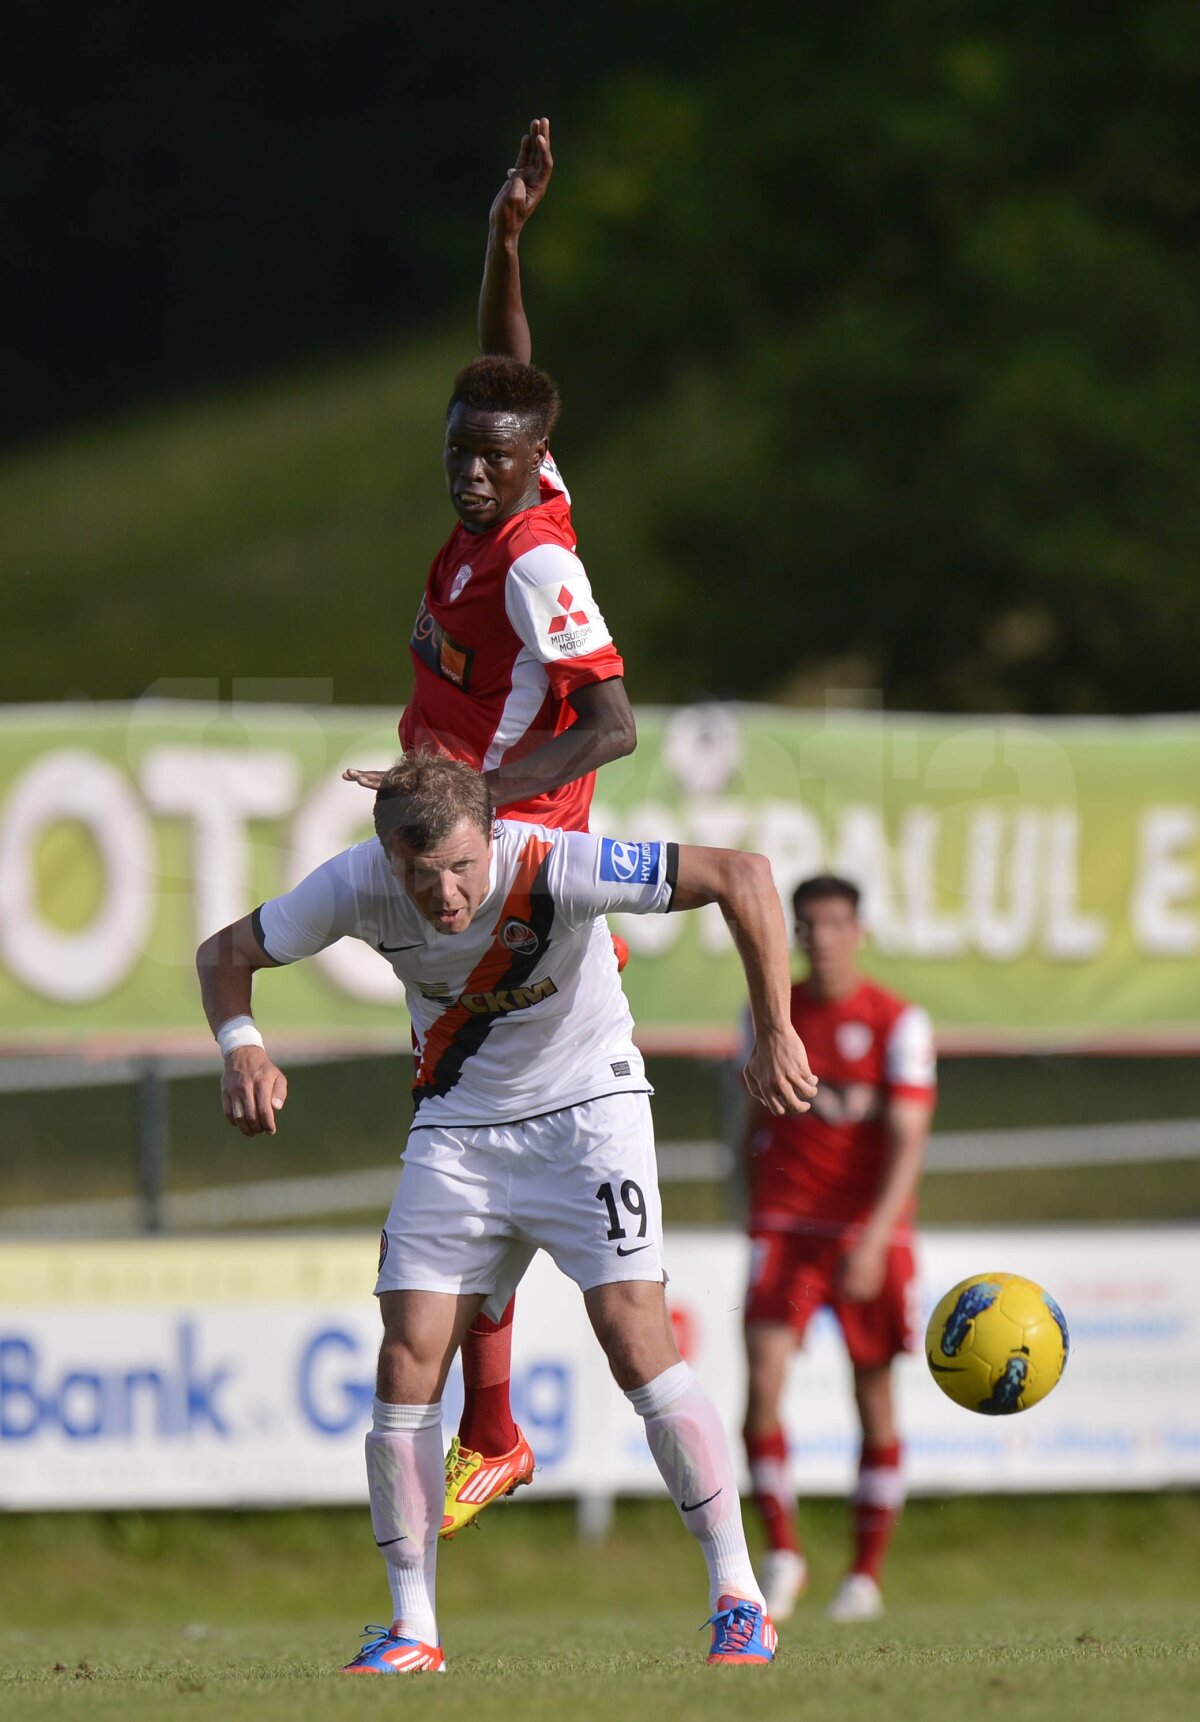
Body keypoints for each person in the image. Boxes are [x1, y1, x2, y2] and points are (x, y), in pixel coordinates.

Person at [196, 750, 818, 1671]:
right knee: (406, 1357)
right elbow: (224, 955)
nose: (444, 894)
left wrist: (775, 1028)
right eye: (419, 875)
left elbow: (744, 876)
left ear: (493, 837)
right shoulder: (351, 885)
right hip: (460, 1130)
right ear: (385, 858)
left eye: (460, 867)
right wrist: (242, 1047)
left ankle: (741, 1598)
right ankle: (413, 1629)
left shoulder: (556, 861)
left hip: (588, 1114)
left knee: (634, 1341)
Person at [344, 118, 637, 1535]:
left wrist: (476, 805)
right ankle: (497, 1429)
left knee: (459, 1134)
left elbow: (612, 721)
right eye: (459, 451)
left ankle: (500, 1431)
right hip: (464, 851)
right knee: (462, 1125)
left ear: (532, 474)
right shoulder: (512, 476)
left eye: (492, 459)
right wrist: (506, 242)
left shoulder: (535, 561)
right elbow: (508, 389)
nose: (473, 469)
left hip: (501, 868)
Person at [738, 875, 936, 1624]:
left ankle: (865, 1575)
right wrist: (745, 1207)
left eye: (834, 922)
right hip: (785, 1227)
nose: (820, 937)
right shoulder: (771, 1014)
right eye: (807, 924)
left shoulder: (897, 1023)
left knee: (875, 1397)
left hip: (865, 1234)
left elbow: (909, 1139)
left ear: (859, 930)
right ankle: (783, 1553)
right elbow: (745, 1120)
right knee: (761, 1387)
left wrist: (878, 1237)